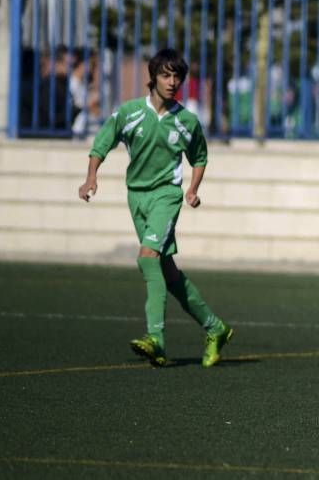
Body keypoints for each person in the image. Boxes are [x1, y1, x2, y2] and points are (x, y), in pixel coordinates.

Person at [77, 48, 234, 368]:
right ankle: (215, 328)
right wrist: (90, 178)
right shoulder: (129, 112)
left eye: (177, 76)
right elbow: (101, 143)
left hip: (167, 196)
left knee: (147, 258)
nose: (172, 81)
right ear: (153, 77)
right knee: (167, 271)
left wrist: (191, 189)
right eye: (166, 75)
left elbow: (200, 157)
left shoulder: (187, 120)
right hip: (137, 197)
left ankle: (157, 341)